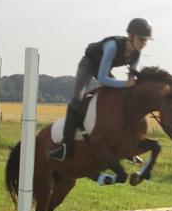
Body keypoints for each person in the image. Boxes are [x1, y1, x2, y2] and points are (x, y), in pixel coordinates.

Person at [48, 17, 153, 161]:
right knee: (78, 97)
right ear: (130, 36)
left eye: (146, 40)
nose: (144, 43)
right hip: (88, 65)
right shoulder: (112, 47)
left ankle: (126, 146)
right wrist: (125, 84)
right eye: (141, 39)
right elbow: (103, 79)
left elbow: (131, 77)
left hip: (103, 69)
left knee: (123, 97)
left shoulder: (136, 53)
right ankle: (65, 146)